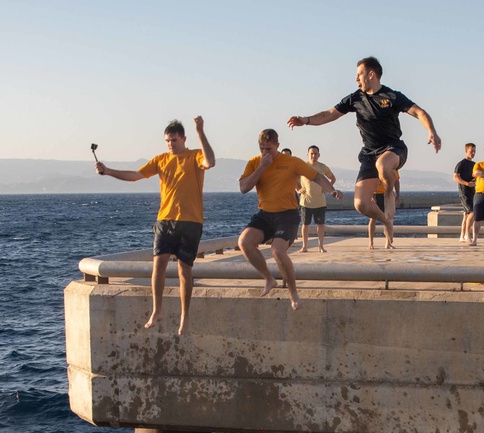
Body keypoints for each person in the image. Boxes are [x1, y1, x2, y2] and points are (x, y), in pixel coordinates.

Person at [287, 56, 440, 249]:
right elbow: (329, 114)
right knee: (360, 204)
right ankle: (385, 219)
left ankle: (388, 192)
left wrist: (431, 131)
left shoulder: (392, 96)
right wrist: (306, 120)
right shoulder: (355, 98)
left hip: (394, 148)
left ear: (371, 74)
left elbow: (419, 112)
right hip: (369, 154)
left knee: (383, 165)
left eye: (359, 74)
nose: (356, 79)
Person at [95, 117, 215, 336]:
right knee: (158, 265)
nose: (170, 144)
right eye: (168, 141)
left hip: (190, 222)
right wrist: (109, 171)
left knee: (184, 271)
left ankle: (184, 318)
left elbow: (210, 162)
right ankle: (157, 310)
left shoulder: (195, 155)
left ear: (184, 139)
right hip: (165, 220)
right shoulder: (160, 160)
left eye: (174, 140)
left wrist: (200, 131)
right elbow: (135, 176)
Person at [238, 129, 342, 310]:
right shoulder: (254, 163)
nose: (265, 153)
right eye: (262, 148)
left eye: (269, 149)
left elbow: (317, 176)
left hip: (287, 215)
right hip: (265, 214)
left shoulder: (291, 162)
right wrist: (262, 167)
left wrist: (331, 190)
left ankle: (293, 292)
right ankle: (269, 279)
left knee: (277, 251)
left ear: (277, 145)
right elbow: (244, 187)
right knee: (244, 242)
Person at [298, 145, 336, 253]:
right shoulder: (302, 166)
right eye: (311, 153)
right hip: (306, 201)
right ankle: (304, 246)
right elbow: (293, 178)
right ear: (308, 154)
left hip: (320, 201)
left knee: (320, 225)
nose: (313, 155)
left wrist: (327, 188)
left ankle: (321, 246)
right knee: (305, 225)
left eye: (315, 153)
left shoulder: (323, 167)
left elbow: (332, 178)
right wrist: (298, 189)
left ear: (318, 155)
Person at [368, 171, 400, 249]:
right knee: (373, 218)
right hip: (376, 194)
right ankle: (371, 242)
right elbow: (369, 182)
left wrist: (398, 195)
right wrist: (371, 196)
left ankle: (388, 243)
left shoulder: (393, 168)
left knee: (389, 218)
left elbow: (396, 181)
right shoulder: (375, 167)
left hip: (388, 194)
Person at [454, 143, 477, 243]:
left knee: (466, 215)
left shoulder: (474, 164)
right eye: (471, 151)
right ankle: (467, 234)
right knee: (472, 212)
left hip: (472, 192)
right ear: (466, 151)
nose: (473, 153)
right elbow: (455, 177)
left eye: (474, 151)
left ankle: (462, 236)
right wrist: (467, 183)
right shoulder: (461, 164)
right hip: (464, 192)